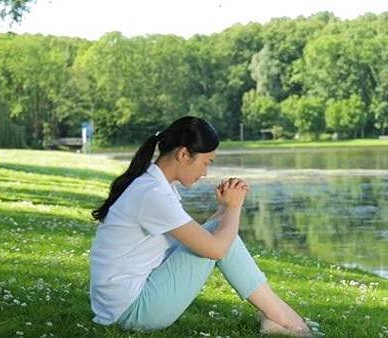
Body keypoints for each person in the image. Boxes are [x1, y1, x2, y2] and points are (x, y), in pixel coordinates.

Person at [89, 116, 311, 336]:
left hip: (122, 306)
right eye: (206, 162)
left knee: (217, 232)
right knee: (221, 240)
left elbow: (199, 237)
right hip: (133, 312)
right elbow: (216, 249)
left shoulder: (153, 186)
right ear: (183, 154)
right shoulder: (152, 194)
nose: (205, 172)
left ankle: (277, 317)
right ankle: (292, 324)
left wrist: (225, 208)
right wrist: (234, 208)